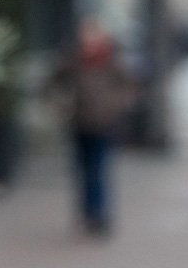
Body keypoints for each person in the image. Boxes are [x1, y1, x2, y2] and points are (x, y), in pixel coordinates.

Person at [51, 20, 135, 236]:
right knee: (83, 171)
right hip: (80, 124)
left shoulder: (113, 63)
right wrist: (63, 107)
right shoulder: (74, 62)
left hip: (105, 126)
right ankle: (87, 212)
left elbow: (128, 88)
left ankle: (98, 214)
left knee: (98, 170)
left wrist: (114, 106)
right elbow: (54, 84)